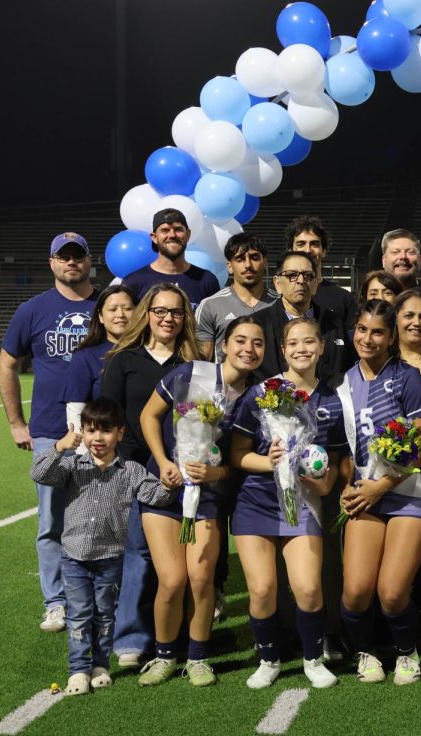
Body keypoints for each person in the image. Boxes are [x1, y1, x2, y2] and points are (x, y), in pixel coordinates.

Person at [134, 315, 267, 687]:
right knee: (173, 580)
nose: (248, 349)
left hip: (208, 494)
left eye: (257, 343)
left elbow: (239, 461)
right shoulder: (193, 373)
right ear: (224, 345)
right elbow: (149, 415)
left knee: (202, 577)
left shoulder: (260, 397)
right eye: (240, 340)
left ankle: (198, 658)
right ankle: (163, 657)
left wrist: (216, 474)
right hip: (165, 487)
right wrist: (162, 462)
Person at [30, 398, 179, 696]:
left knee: (105, 614)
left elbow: (157, 496)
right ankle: (78, 669)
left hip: (110, 558)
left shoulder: (132, 471)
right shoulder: (72, 465)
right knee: (79, 614)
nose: (98, 438)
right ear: (83, 433)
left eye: (106, 431)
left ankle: (100, 666)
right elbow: (39, 474)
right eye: (91, 430)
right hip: (74, 557)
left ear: (120, 434)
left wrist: (170, 484)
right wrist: (60, 446)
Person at [229, 318, 344, 689]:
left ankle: (312, 659)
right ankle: (269, 659)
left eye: (309, 341)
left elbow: (337, 464)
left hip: (303, 503)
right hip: (256, 502)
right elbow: (237, 455)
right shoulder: (261, 393)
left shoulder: (332, 399)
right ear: (283, 349)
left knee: (308, 588)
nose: (301, 349)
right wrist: (271, 461)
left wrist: (322, 483)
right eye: (293, 343)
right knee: (262, 590)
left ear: (321, 347)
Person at [0, 231, 98, 632]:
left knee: (104, 517)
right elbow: (7, 364)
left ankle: (104, 593)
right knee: (51, 521)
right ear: (52, 262)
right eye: (63, 257)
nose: (71, 262)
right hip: (50, 433)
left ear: (90, 261)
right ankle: (56, 602)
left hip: (103, 431)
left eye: (78, 256)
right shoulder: (32, 310)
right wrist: (15, 422)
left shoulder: (108, 305)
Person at [335, 299, 421, 685]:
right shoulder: (343, 383)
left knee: (393, 593)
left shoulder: (407, 376)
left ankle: (406, 653)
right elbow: (347, 449)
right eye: (362, 329)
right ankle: (365, 653)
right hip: (366, 497)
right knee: (356, 593)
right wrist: (348, 485)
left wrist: (383, 485)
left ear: (392, 337)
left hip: (409, 492)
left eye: (378, 331)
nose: (368, 338)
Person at [101, 283, 201, 668]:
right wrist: (123, 467)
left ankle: (183, 636)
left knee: (187, 560)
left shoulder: (194, 361)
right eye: (160, 311)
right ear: (147, 313)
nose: (167, 319)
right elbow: (110, 417)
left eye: (176, 312)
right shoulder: (123, 359)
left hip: (186, 472)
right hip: (136, 469)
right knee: (139, 554)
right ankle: (131, 636)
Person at [257, 252, 352, 379]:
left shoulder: (335, 323)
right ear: (277, 283)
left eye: (308, 276)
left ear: (315, 284)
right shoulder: (259, 324)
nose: (301, 281)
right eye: (292, 275)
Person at [64, 284, 135, 439]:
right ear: (101, 316)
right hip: (102, 450)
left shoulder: (149, 351)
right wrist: (85, 455)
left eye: (128, 308)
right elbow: (76, 410)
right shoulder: (85, 356)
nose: (120, 314)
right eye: (112, 309)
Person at [195, 233, 275, 361]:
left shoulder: (281, 303)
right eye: (240, 259)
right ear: (230, 266)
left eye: (254, 257)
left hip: (272, 381)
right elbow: (201, 362)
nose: (248, 264)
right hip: (226, 381)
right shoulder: (210, 305)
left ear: (265, 262)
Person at [121, 209, 220, 309]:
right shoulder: (133, 282)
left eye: (178, 229)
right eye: (165, 230)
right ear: (154, 237)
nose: (172, 235)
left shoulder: (206, 280)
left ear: (188, 235)